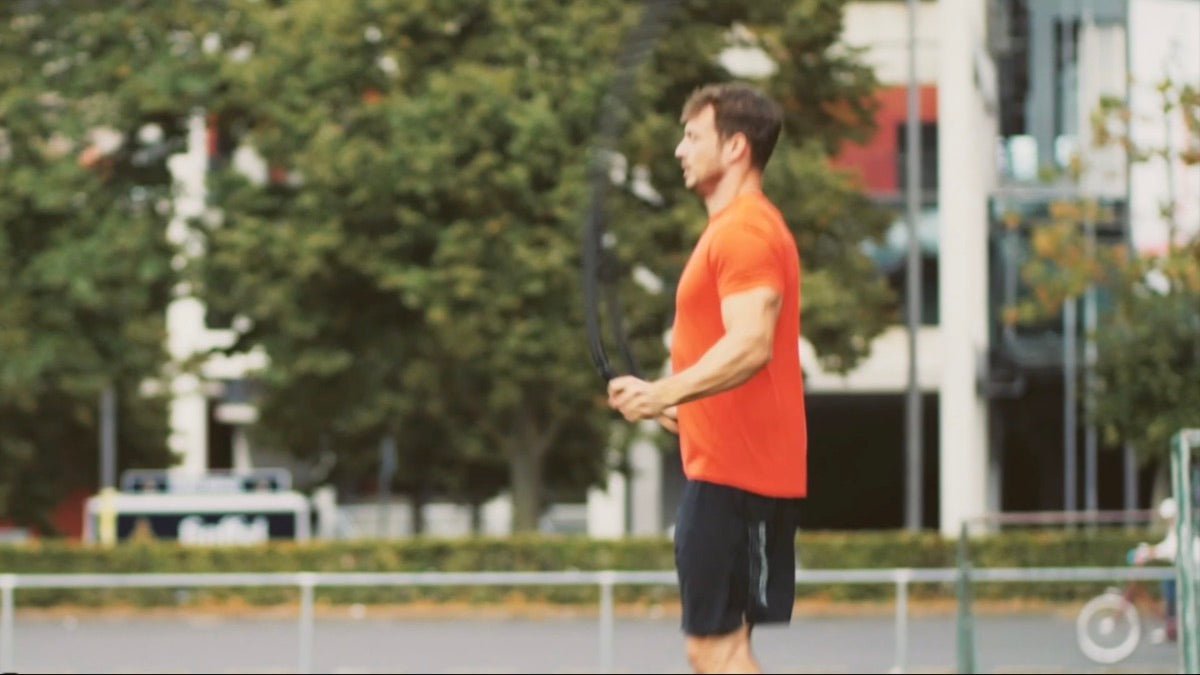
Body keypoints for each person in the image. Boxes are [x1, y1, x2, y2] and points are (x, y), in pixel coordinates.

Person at [607, 82, 807, 674]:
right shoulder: (738, 228)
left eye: (693, 136)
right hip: (738, 474)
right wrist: (677, 408)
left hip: (735, 483)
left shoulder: (745, 230)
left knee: (712, 648)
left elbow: (750, 346)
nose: (679, 150)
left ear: (736, 148)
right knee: (729, 647)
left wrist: (661, 391)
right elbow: (738, 364)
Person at [1131, 497, 1180, 643]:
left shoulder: (1181, 526)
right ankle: (1171, 624)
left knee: (1170, 586)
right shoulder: (1175, 527)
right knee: (1168, 583)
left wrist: (1150, 552)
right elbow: (1168, 546)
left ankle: (1172, 624)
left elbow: (1172, 549)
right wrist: (1150, 551)